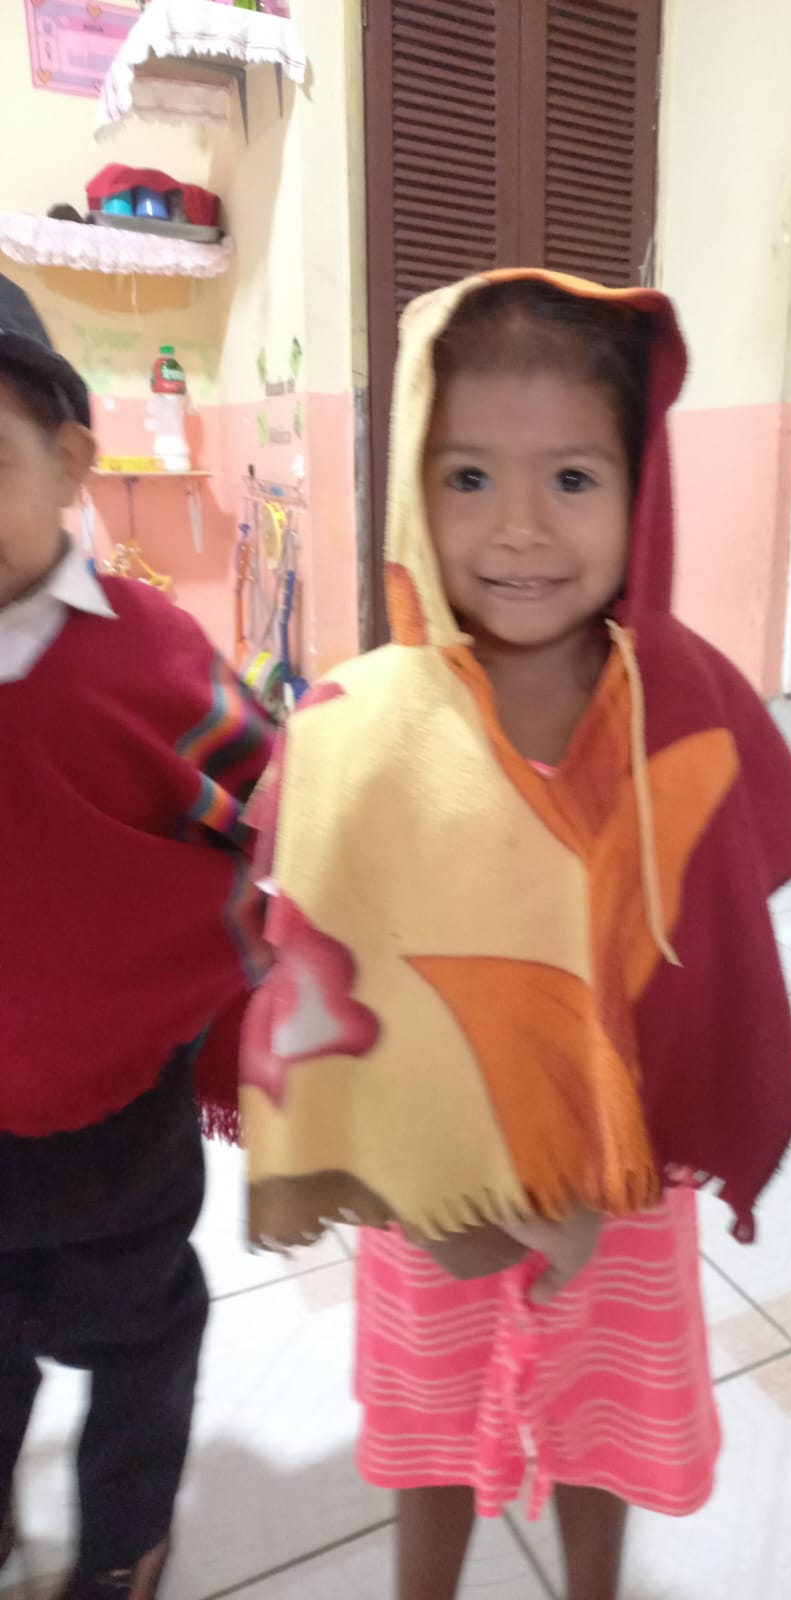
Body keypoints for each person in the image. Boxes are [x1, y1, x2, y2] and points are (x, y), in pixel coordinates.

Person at [242, 271, 791, 1600]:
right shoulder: (353, 723)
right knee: (431, 1439)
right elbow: (319, 980)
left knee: (605, 1431)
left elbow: (712, 952)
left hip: (624, 1189)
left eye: (572, 478)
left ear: (640, 489)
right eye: (467, 478)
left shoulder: (685, 704)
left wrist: (595, 1157)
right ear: (412, 485)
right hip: (430, 1189)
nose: (519, 529)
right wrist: (436, 1193)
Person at [0, 274, 273, 1600]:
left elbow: (270, 804)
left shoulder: (149, 653)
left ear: (67, 464)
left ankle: (121, 1542)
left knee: (137, 1327)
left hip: (118, 1113)